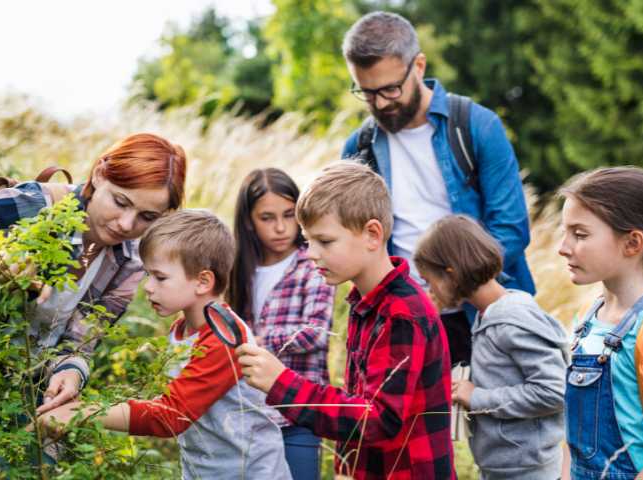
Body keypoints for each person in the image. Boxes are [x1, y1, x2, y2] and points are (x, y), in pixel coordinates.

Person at [0, 133, 186, 478]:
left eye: (147, 216)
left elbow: (82, 337)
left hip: (30, 384)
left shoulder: (129, 259)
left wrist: (70, 370)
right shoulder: (40, 207)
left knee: (37, 469)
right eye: (121, 202)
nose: (126, 225)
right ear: (99, 174)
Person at [237, 162, 455, 480]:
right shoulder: (364, 303)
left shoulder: (401, 315)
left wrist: (282, 384)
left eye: (324, 242)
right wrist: (347, 467)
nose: (311, 253)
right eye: (308, 240)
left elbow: (377, 418)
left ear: (371, 234)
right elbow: (359, 399)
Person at [340, 11, 534, 365]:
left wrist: (449, 290)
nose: (380, 103)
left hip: (484, 315)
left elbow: (511, 229)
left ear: (418, 65)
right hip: (402, 319)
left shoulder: (477, 126)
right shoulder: (358, 148)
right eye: (367, 93)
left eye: (390, 89)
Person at [38, 209, 292, 480]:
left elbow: (171, 416)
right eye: (147, 274)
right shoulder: (182, 330)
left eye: (160, 277)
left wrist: (81, 413)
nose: (147, 287)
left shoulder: (222, 338)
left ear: (203, 281)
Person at [558, 166, 643, 479]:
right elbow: (571, 441)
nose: (563, 247)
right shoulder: (586, 321)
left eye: (580, 235)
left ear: (632, 243)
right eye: (564, 232)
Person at [413, 214, 568, 479]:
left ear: (451, 274)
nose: (430, 291)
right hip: (502, 468)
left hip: (529, 471)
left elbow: (554, 391)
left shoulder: (511, 321)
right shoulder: (485, 317)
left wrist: (476, 397)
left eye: (430, 282)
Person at [226, 168, 334, 480]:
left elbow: (316, 333)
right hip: (248, 414)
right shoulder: (238, 269)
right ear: (248, 220)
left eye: (289, 215)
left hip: (297, 413)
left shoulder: (313, 263)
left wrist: (252, 341)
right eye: (267, 218)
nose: (281, 228)